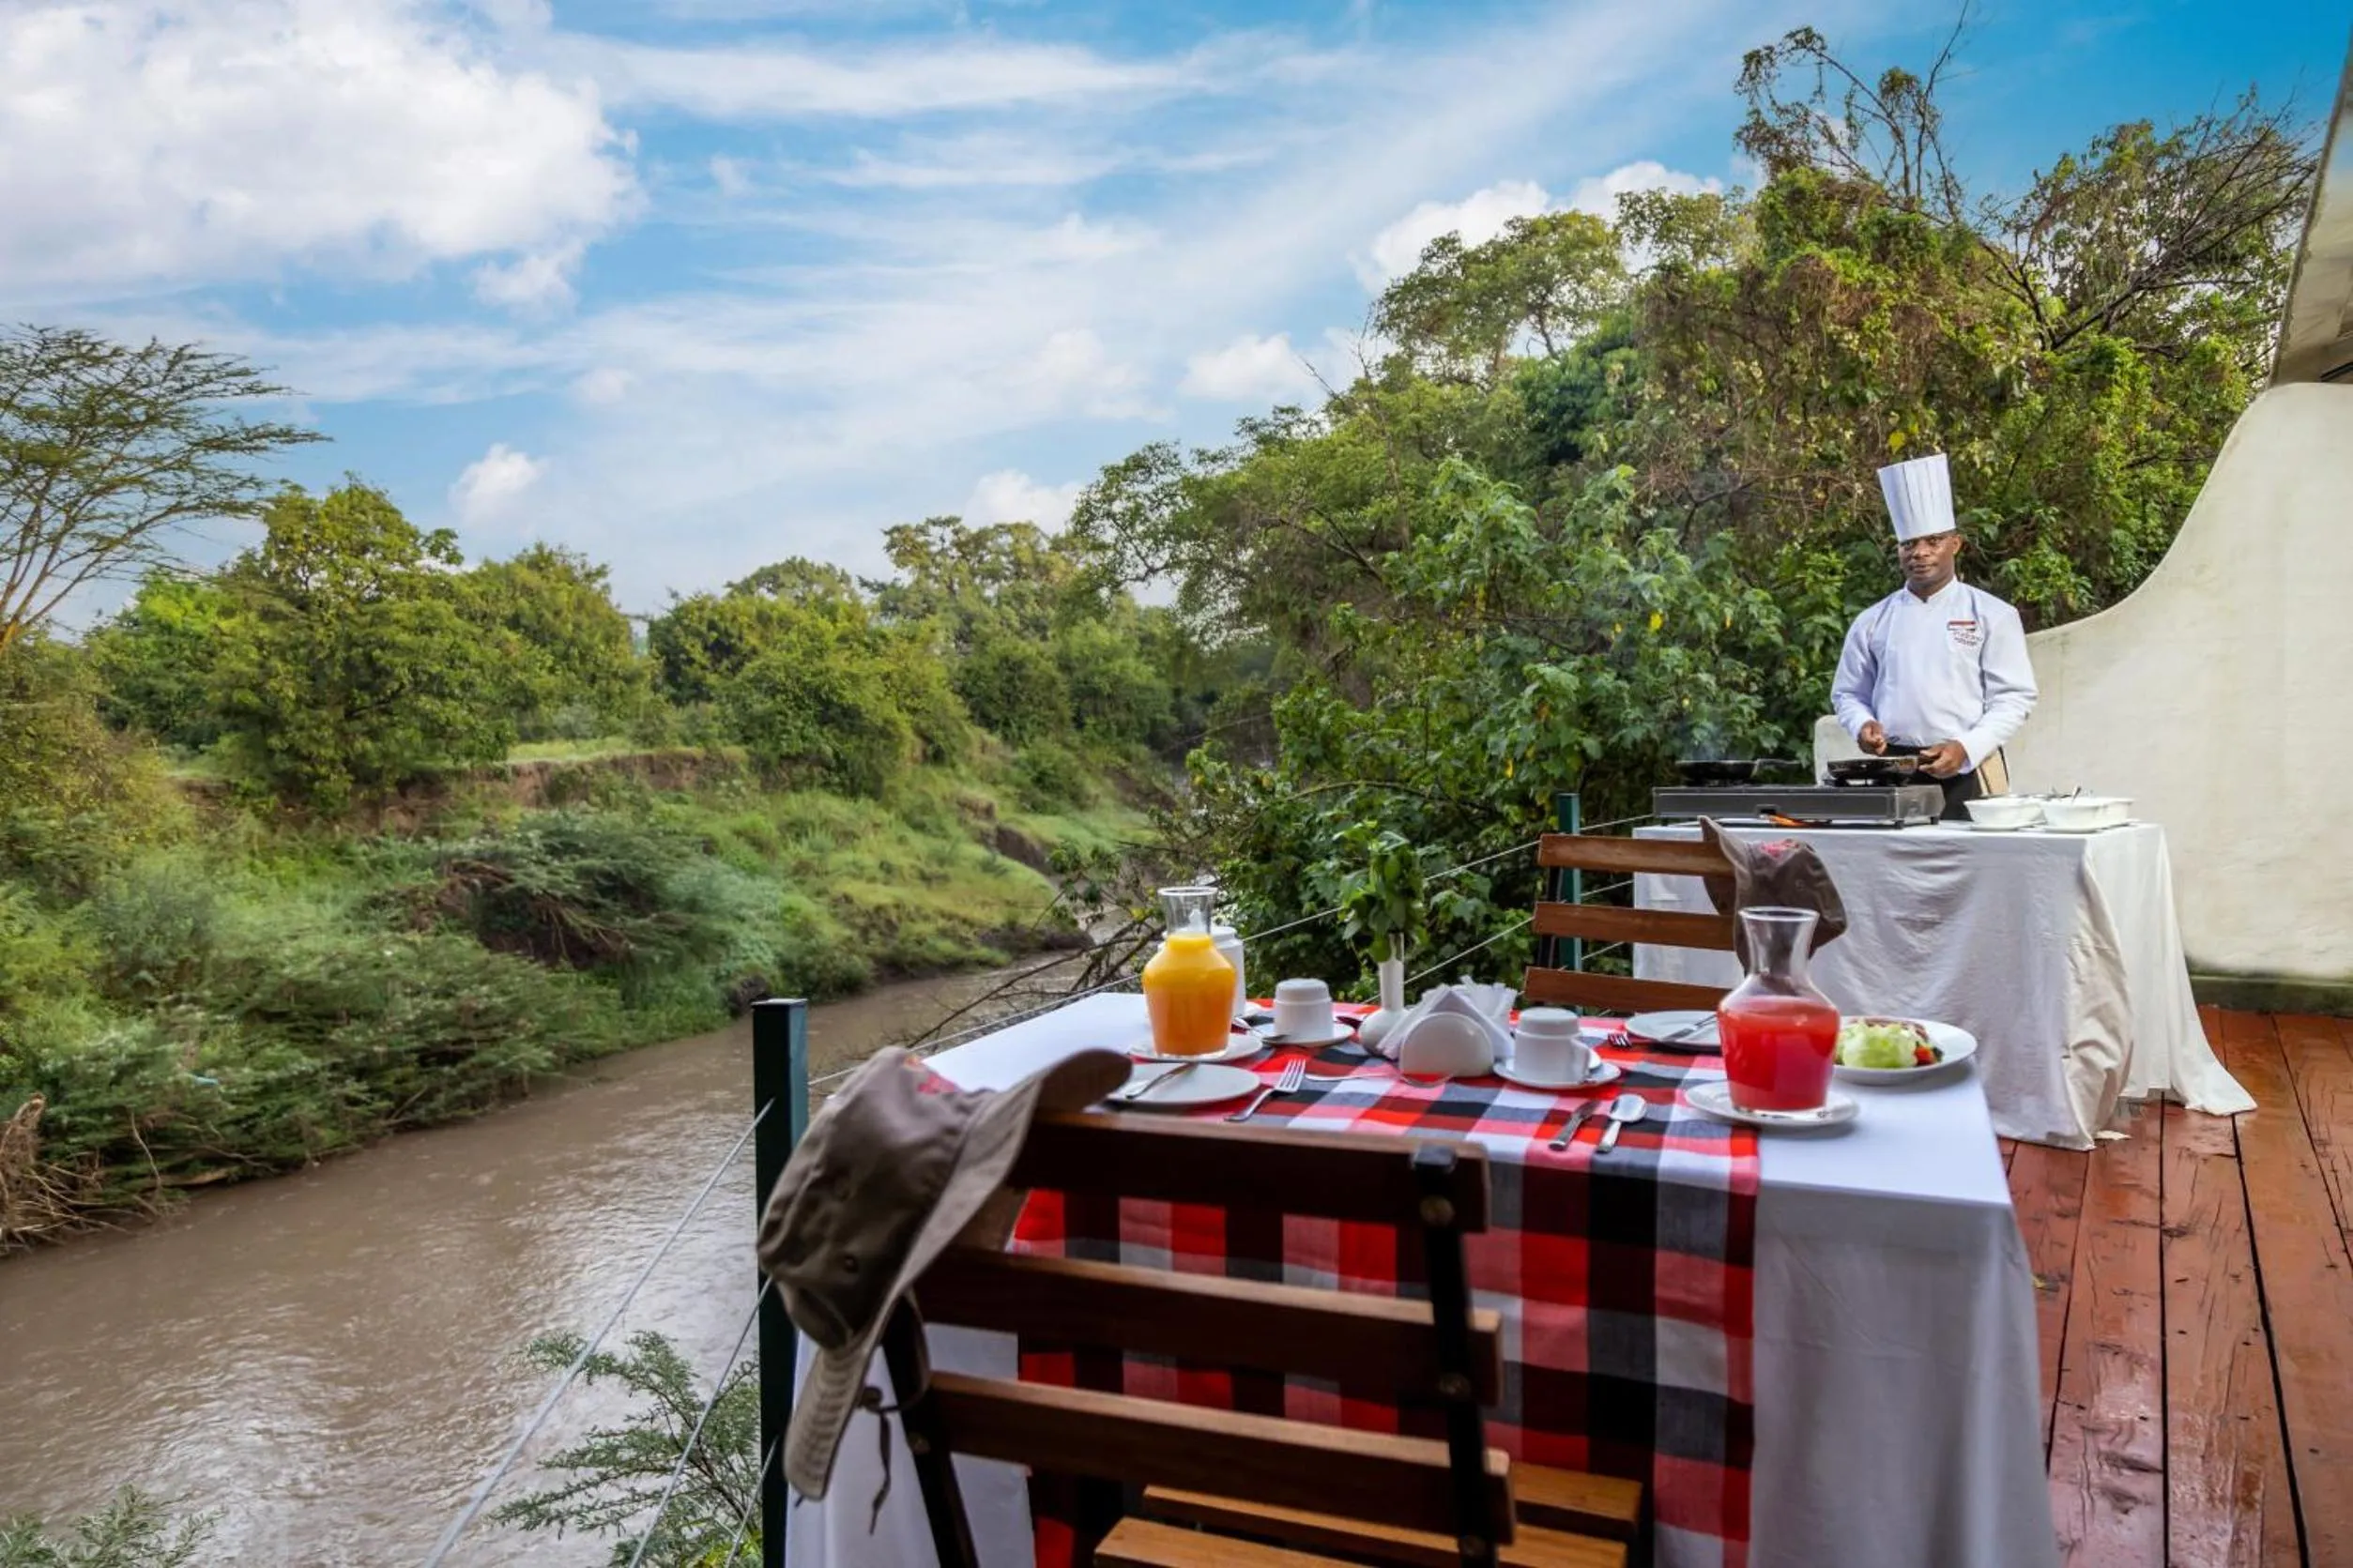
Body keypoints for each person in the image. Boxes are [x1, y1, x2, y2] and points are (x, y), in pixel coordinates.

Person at [1831, 452, 2038, 820]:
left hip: (1970, 768)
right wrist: (1862, 724)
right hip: (1893, 770)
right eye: (1908, 544)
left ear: (1955, 544)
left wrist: (1966, 746)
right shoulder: (1872, 621)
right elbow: (1848, 693)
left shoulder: (1992, 614)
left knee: (1970, 856)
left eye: (1933, 541)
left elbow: (2014, 698)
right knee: (1891, 855)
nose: (1920, 553)